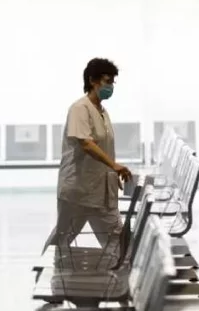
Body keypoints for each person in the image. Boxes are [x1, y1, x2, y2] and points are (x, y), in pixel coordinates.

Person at [45, 58, 133, 254]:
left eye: (112, 83)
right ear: (93, 81)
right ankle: (50, 277)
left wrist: (111, 173)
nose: (110, 86)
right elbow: (86, 143)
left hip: (100, 192)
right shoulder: (79, 109)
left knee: (118, 241)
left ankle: (120, 280)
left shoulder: (102, 112)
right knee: (62, 239)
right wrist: (114, 166)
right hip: (78, 190)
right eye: (107, 81)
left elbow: (103, 147)